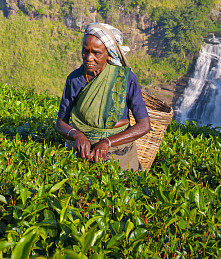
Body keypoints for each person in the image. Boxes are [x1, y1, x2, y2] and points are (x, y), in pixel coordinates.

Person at [55, 23, 150, 170]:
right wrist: (77, 135)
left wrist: (108, 142)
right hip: (81, 153)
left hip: (119, 154)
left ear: (109, 54)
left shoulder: (124, 79)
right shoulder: (74, 79)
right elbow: (60, 123)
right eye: (85, 51)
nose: (88, 58)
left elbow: (144, 125)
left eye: (96, 53)